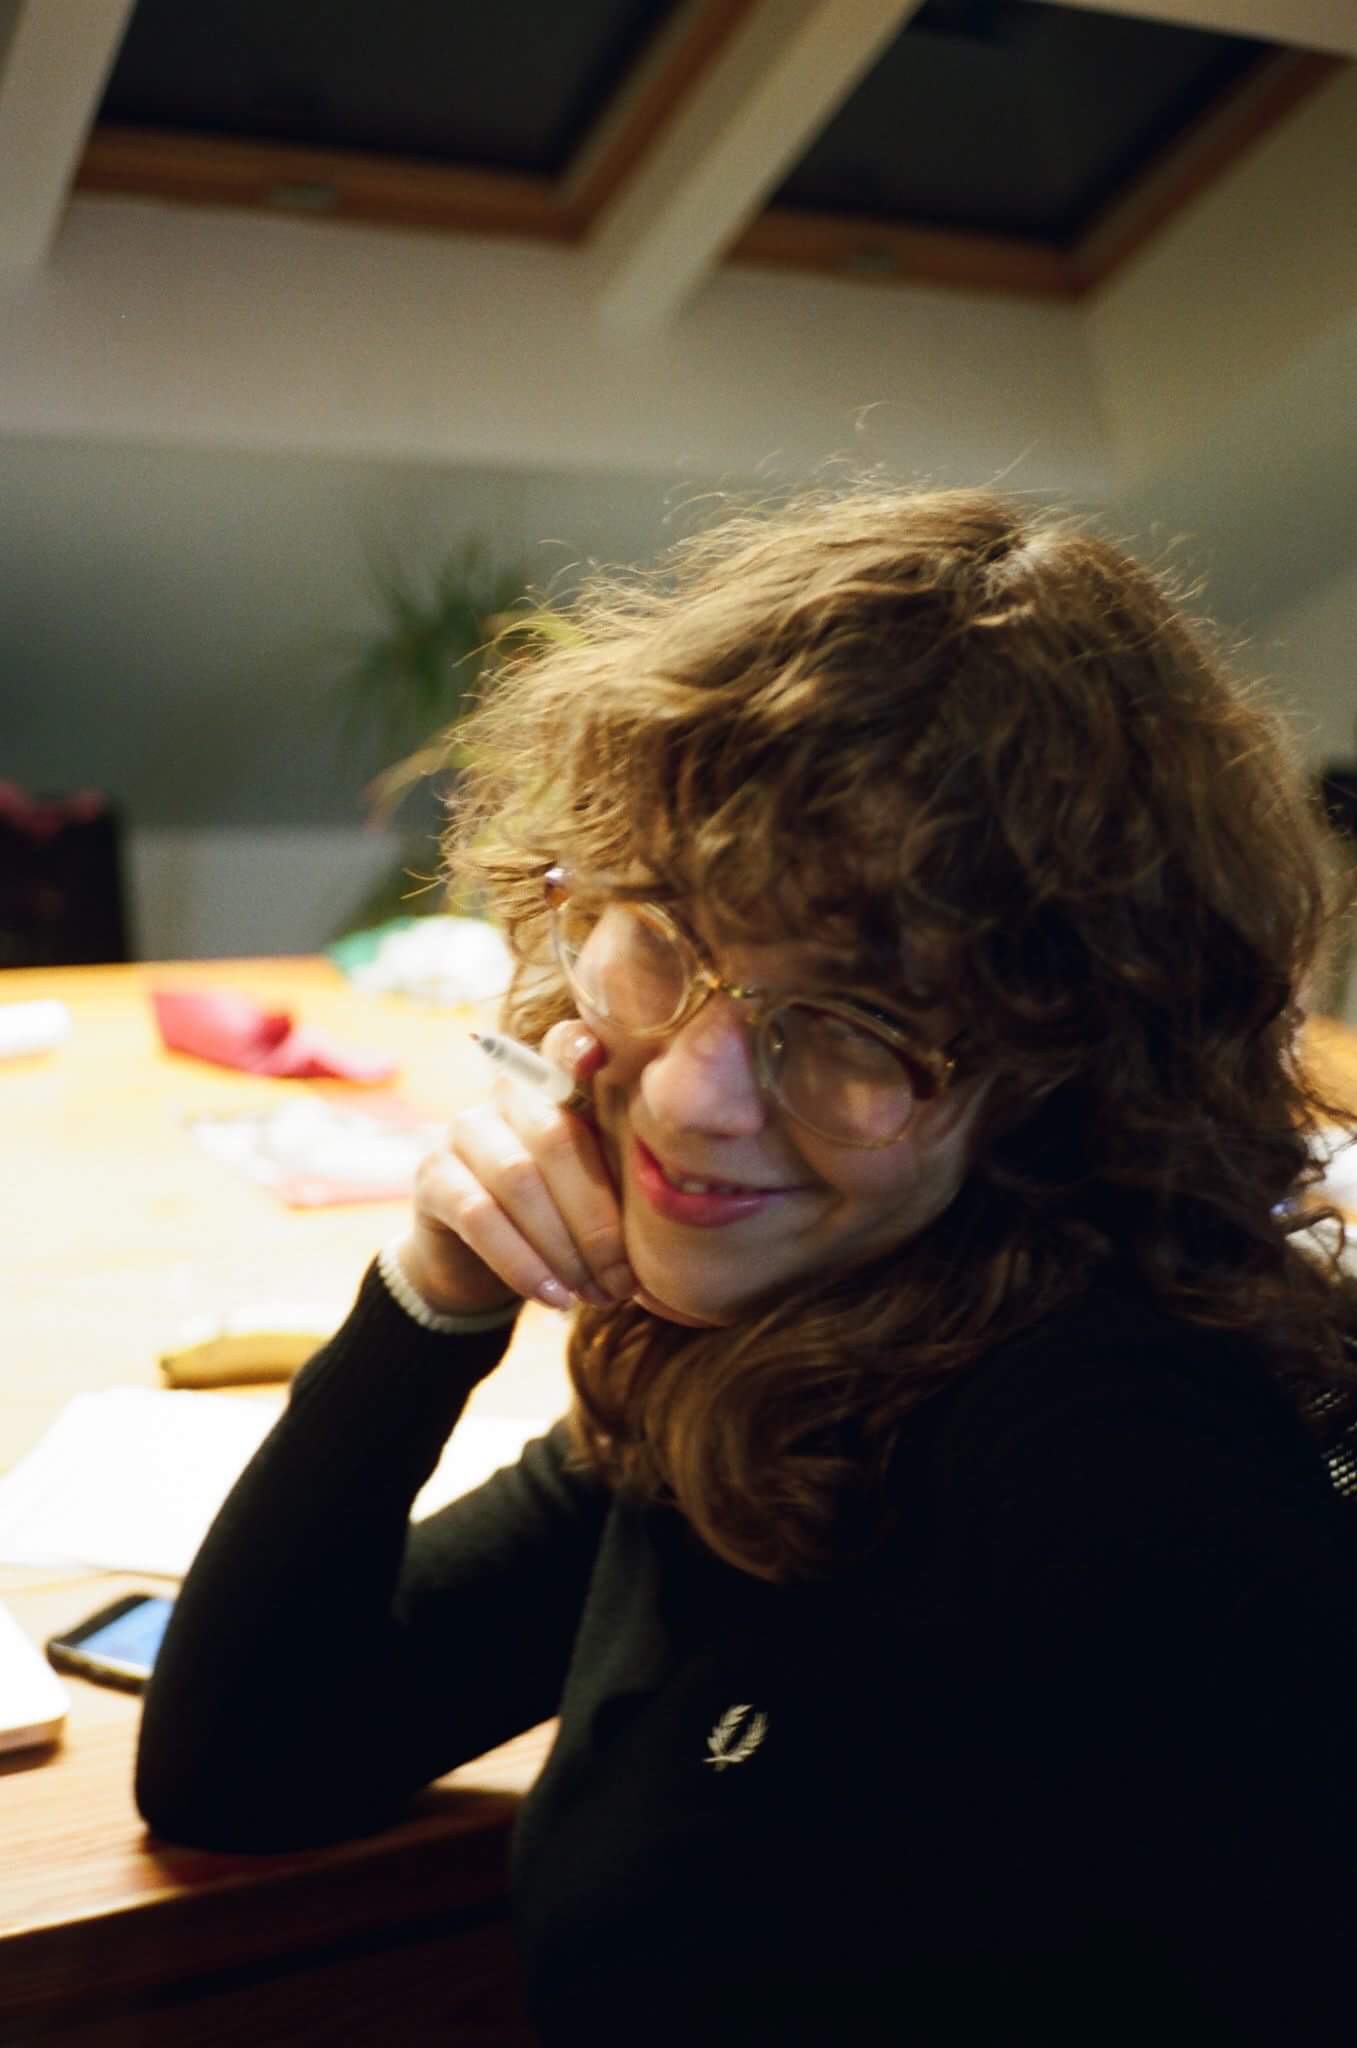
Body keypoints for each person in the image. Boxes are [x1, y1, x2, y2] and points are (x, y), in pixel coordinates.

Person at [136, 487, 1357, 2044]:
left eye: (849, 1022)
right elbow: (247, 1764)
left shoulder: (1114, 1492)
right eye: (664, 936)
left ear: (1061, 1078)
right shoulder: (796, 1351)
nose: (693, 1092)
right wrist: (435, 1293)